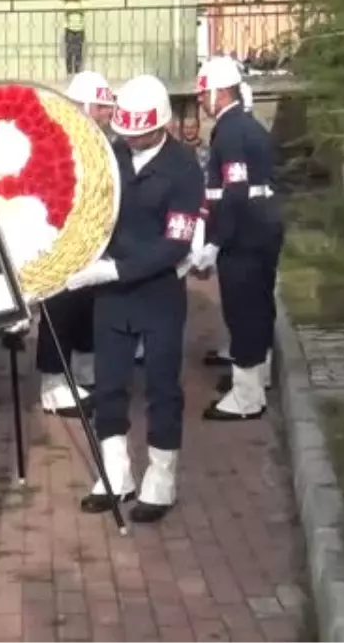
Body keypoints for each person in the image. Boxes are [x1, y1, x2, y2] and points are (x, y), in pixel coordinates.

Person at [65, 74, 204, 524]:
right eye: (124, 131)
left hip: (159, 292)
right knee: (109, 385)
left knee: (162, 388)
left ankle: (161, 478)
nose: (130, 139)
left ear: (160, 125)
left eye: (139, 133)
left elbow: (176, 242)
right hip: (111, 295)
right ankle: (114, 471)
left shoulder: (183, 168)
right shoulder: (113, 155)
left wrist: (117, 268)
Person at [192, 56, 283, 421]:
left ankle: (247, 398)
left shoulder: (229, 132)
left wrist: (216, 241)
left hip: (243, 233)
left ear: (218, 91)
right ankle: (257, 379)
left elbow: (234, 189)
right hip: (263, 227)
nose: (200, 102)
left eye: (202, 95)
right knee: (260, 306)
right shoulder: (250, 125)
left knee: (243, 310)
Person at [33, 70, 116, 418]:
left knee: (86, 306)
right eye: (101, 107)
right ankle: (53, 383)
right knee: (60, 308)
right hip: (61, 239)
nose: (108, 113)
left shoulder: (104, 143)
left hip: (92, 240)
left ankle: (82, 370)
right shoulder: (58, 142)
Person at [61, 0, 85, 74]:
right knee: (69, 51)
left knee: (78, 51)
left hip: (80, 28)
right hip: (69, 28)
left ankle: (78, 72)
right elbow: (64, 5)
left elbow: (85, 7)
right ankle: (69, 72)